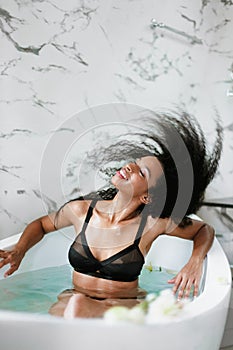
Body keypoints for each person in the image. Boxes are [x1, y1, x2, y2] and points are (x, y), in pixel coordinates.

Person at [0, 110, 223, 319]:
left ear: (148, 197)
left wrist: (194, 261)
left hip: (122, 307)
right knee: (66, 312)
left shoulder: (152, 224)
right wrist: (20, 250)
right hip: (72, 297)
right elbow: (41, 225)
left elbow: (203, 229)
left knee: (76, 309)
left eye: (141, 172)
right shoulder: (81, 211)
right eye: (134, 163)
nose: (129, 167)